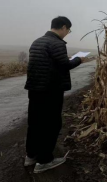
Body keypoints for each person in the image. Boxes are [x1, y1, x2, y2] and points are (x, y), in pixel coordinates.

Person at [24, 16, 86, 173]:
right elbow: (65, 65)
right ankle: (44, 161)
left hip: (35, 89)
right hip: (50, 90)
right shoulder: (57, 43)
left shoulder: (37, 41)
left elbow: (48, 63)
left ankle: (30, 156)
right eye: (68, 30)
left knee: (35, 122)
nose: (67, 33)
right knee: (51, 124)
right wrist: (79, 60)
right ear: (63, 27)